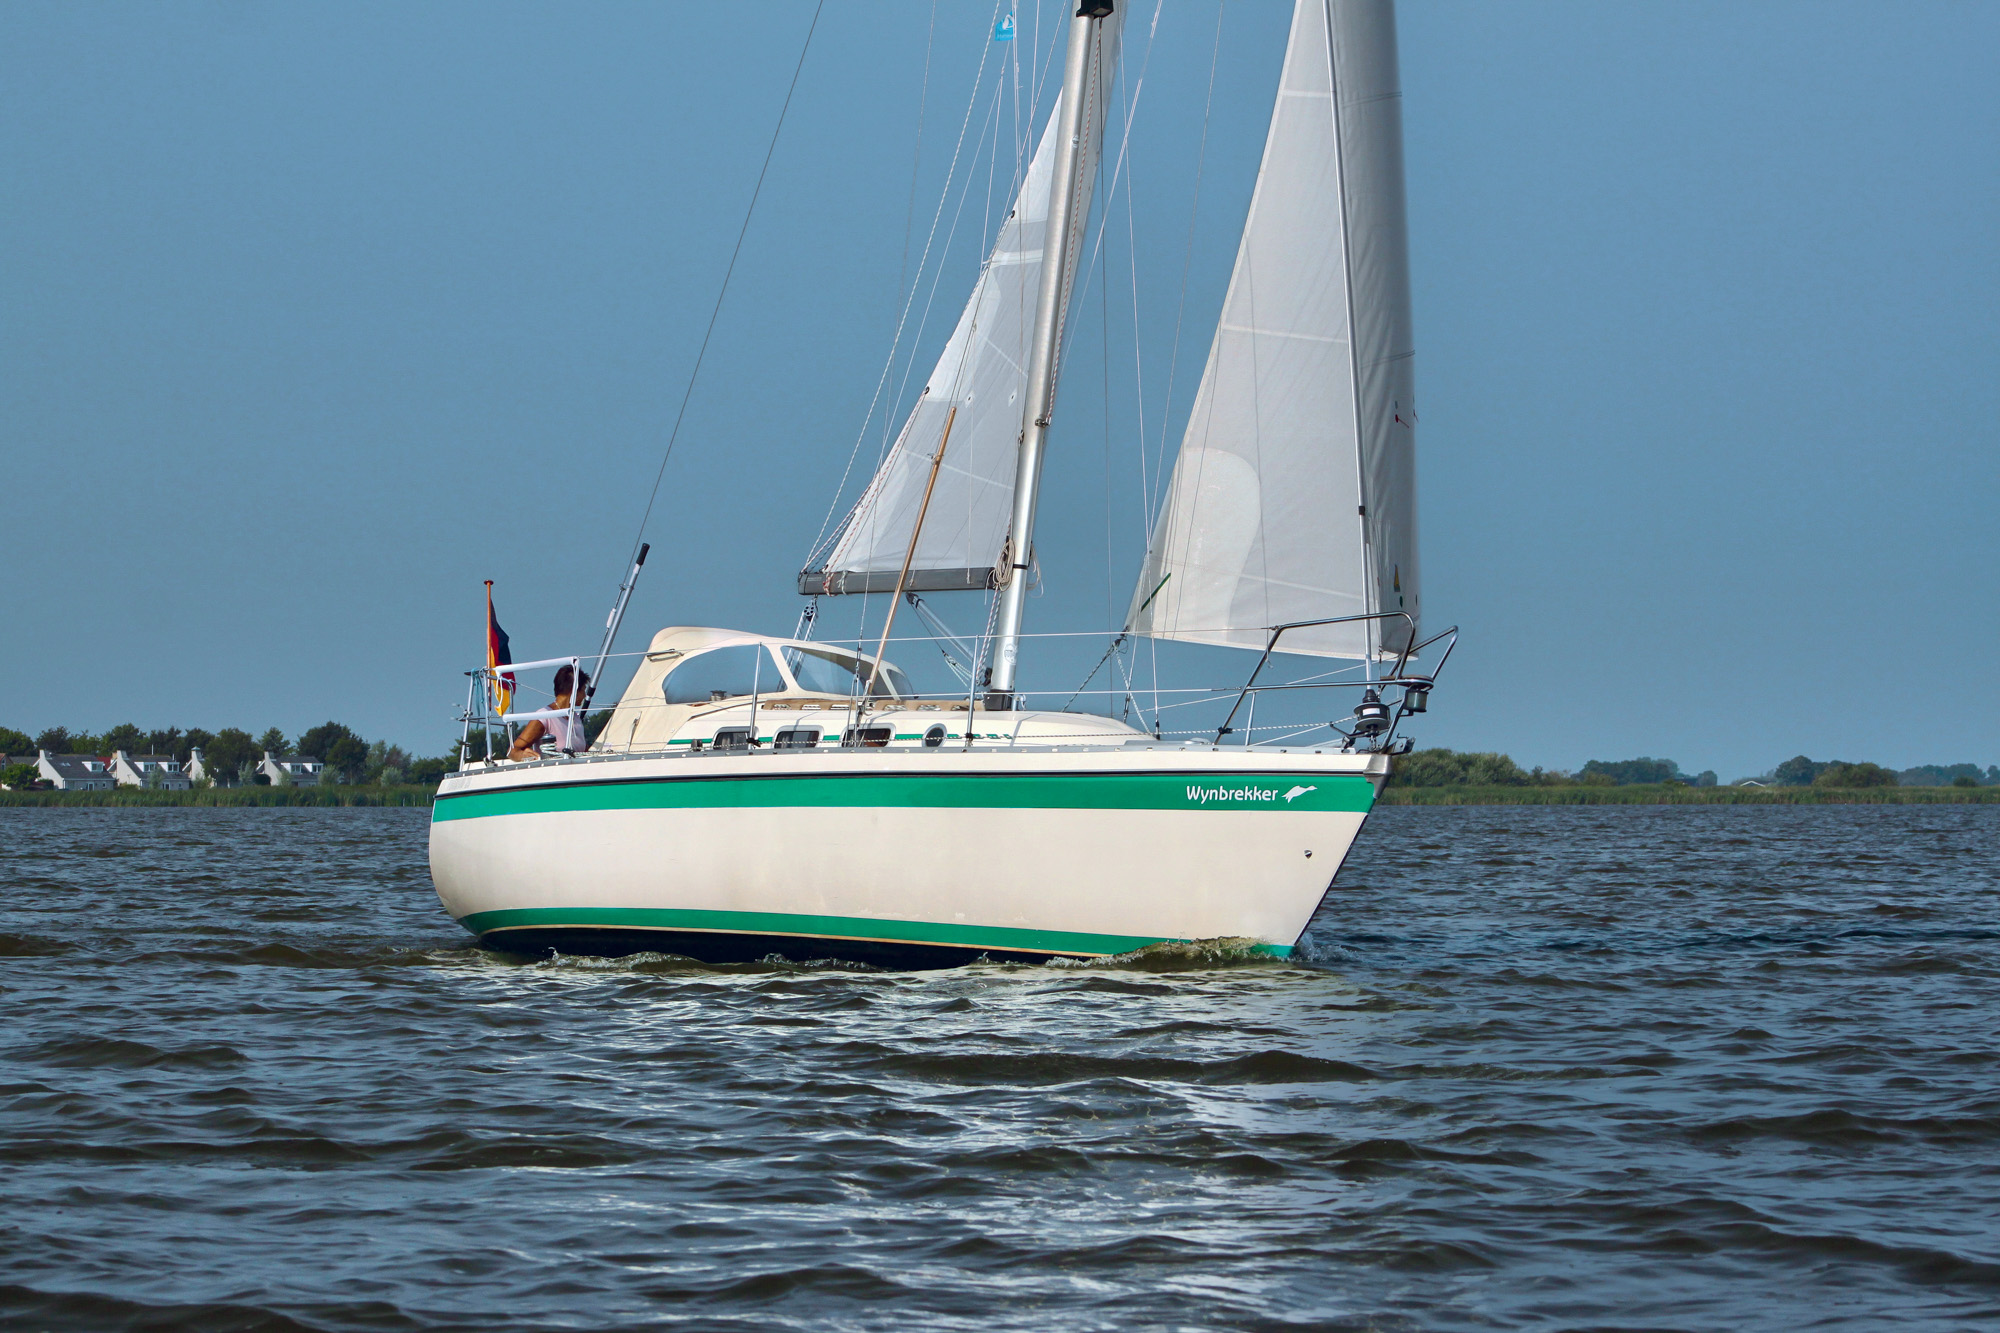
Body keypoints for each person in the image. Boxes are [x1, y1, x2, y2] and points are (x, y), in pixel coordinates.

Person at [509, 665, 590, 760]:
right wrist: (523, 755)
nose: (585, 695)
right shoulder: (545, 716)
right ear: (574, 691)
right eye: (584, 690)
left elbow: (582, 751)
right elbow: (513, 751)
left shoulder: (575, 718)